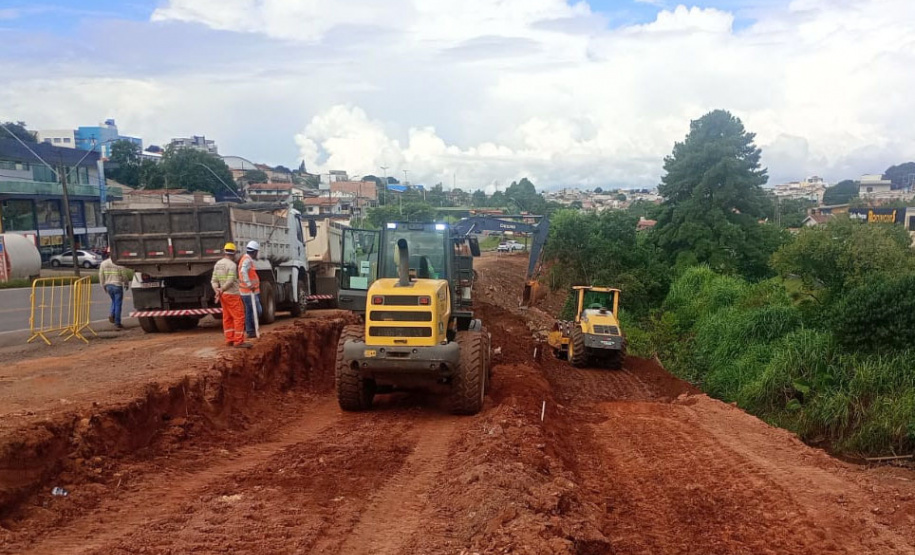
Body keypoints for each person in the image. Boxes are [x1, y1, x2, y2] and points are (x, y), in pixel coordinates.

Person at [211, 242, 250, 348]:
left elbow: (214, 280)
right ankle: (238, 341)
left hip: (223, 295)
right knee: (239, 317)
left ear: (224, 252)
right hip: (232, 294)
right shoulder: (232, 265)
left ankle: (229, 339)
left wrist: (217, 290)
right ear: (233, 253)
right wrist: (222, 289)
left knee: (227, 317)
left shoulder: (218, 264)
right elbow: (231, 280)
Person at [98, 250, 130, 330]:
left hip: (108, 285)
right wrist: (126, 283)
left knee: (114, 301)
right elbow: (124, 275)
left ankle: (112, 314)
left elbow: (101, 276)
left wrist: (103, 286)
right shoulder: (118, 264)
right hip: (117, 285)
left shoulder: (103, 263)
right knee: (118, 304)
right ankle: (117, 322)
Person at [238, 240, 262, 339]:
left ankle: (250, 331)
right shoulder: (247, 260)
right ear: (255, 251)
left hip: (248, 292)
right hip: (248, 292)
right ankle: (251, 329)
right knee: (257, 311)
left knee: (249, 311)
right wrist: (249, 284)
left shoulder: (245, 258)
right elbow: (243, 271)